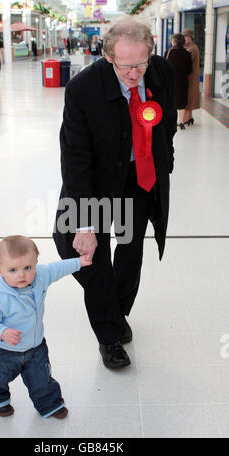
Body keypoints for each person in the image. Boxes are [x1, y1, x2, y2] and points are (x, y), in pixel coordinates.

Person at [53, 16, 177, 370]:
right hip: (96, 183)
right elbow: (75, 159)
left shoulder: (162, 71)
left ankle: (116, 316)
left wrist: (166, 158)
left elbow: (167, 123)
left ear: (150, 53)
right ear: (107, 56)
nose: (135, 73)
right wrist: (84, 224)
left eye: (141, 63)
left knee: (131, 249)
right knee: (87, 252)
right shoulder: (83, 89)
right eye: (126, 66)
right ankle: (108, 331)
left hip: (140, 179)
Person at [0, 235, 91, 418]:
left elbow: (58, 268)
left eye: (27, 267)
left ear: (36, 263)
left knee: (42, 379)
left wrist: (79, 262)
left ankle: (50, 404)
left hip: (35, 347)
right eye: (13, 270)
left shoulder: (40, 276)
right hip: (4, 350)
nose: (21, 274)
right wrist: (3, 332)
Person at [165, 33, 192, 129]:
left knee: (170, 100)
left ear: (175, 42)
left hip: (170, 80)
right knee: (182, 100)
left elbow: (164, 67)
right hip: (183, 81)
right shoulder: (187, 54)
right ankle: (181, 121)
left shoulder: (168, 52)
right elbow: (190, 70)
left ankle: (171, 121)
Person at [183, 29, 200, 126]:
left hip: (191, 76)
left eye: (186, 37)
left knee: (189, 96)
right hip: (189, 76)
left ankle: (187, 118)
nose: (184, 39)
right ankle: (189, 117)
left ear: (190, 37)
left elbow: (186, 61)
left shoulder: (192, 48)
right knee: (189, 96)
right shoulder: (189, 47)